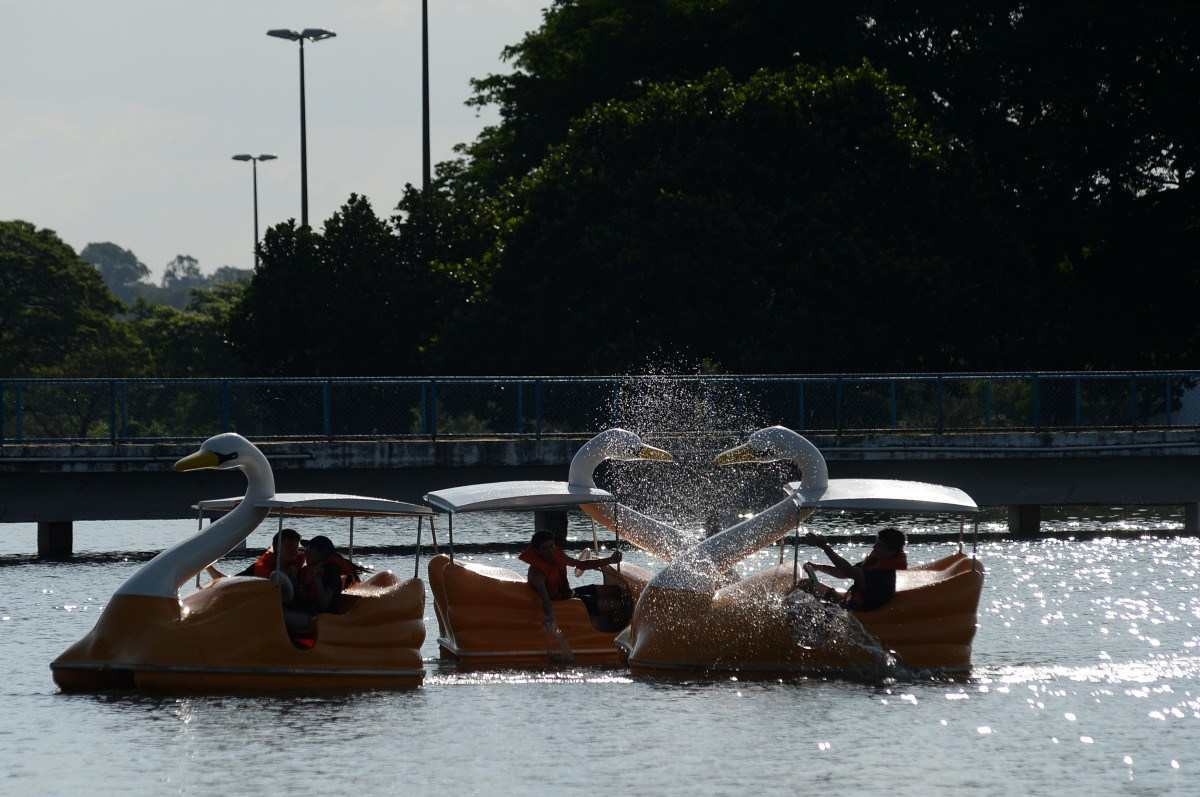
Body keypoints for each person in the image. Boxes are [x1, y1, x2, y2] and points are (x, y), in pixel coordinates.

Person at [520, 530, 622, 632]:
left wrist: (610, 560)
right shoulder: (537, 573)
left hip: (568, 593)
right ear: (537, 551)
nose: (550, 551)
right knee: (606, 602)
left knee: (613, 590)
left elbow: (581, 565)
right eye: (545, 548)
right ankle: (612, 628)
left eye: (551, 546)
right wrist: (550, 619)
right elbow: (546, 601)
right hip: (561, 603)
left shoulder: (558, 556)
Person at [796, 527, 908, 611]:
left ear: (892, 551)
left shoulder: (885, 573)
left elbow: (848, 571)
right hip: (850, 600)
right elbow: (843, 573)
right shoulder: (877, 560)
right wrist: (817, 567)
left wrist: (825, 547)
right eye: (876, 544)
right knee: (805, 584)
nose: (874, 547)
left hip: (860, 612)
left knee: (805, 608)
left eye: (879, 545)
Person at [205, 528, 305, 584]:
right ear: (277, 548)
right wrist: (207, 566)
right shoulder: (259, 569)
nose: (293, 552)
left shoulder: (300, 564)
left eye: (295, 548)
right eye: (289, 547)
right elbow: (228, 583)